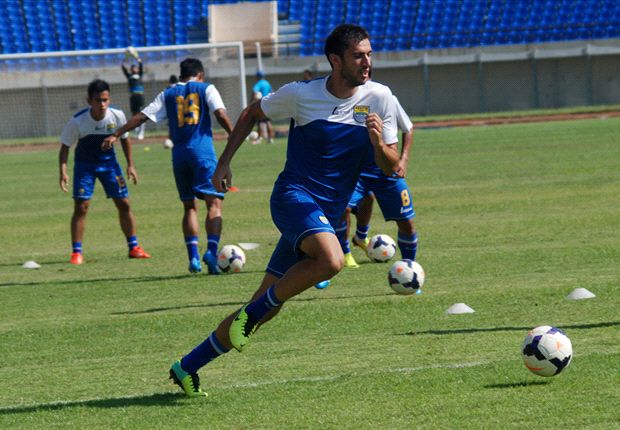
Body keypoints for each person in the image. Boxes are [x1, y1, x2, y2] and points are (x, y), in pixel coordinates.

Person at [167, 24, 400, 397]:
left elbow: (391, 166)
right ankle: (254, 313)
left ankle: (187, 366)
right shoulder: (301, 94)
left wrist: (377, 143)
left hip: (324, 214)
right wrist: (223, 163)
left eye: (370, 54)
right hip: (293, 198)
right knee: (332, 261)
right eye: (359, 55)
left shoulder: (380, 98)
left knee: (265, 305)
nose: (368, 62)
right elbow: (249, 114)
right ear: (336, 60)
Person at [103, 58, 234, 275]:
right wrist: (233, 133)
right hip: (203, 153)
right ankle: (211, 252)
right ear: (200, 75)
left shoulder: (168, 93)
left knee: (189, 206)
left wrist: (116, 134)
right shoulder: (206, 88)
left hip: (179, 155)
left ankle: (193, 258)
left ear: (181, 75)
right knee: (214, 204)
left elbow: (142, 116)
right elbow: (219, 113)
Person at [58, 79, 151, 265]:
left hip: (110, 165)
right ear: (89, 101)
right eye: (98, 100)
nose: (102, 104)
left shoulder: (116, 115)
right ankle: (76, 252)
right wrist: (63, 172)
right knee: (81, 207)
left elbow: (125, 139)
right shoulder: (77, 121)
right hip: (85, 167)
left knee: (124, 204)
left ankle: (133, 247)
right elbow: (65, 147)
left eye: (105, 100)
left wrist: (130, 165)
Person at [339, 95, 417, 268]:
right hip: (356, 171)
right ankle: (344, 253)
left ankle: (409, 269)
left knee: (407, 222)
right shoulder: (344, 98)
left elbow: (408, 128)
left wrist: (403, 160)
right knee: (342, 208)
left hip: (385, 171)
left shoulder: (386, 98)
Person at [121, 49, 146, 140]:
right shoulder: (129, 76)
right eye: (132, 68)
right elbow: (123, 68)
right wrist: (126, 58)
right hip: (133, 96)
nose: (134, 68)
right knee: (134, 114)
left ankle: (141, 132)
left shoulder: (140, 75)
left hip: (140, 96)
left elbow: (141, 64)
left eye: (135, 67)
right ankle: (136, 130)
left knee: (141, 113)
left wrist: (137, 57)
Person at [250, 70, 275, 144]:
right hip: (269, 103)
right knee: (267, 121)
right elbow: (272, 91)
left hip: (261, 104)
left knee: (260, 122)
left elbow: (255, 92)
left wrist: (252, 102)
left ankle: (258, 139)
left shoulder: (258, 83)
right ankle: (270, 139)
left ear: (257, 76)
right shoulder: (267, 83)